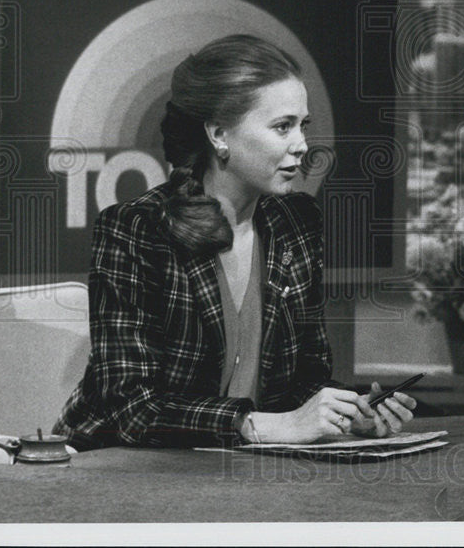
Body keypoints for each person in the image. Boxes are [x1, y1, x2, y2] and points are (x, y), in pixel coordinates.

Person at [54, 34, 415, 449]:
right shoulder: (136, 229)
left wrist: (345, 414)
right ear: (219, 134)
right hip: (117, 468)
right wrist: (258, 426)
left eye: (303, 126)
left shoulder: (296, 222)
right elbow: (132, 409)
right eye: (283, 127)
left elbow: (304, 382)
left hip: (235, 467)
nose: (302, 145)